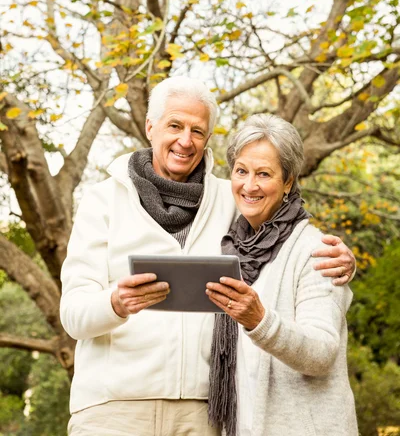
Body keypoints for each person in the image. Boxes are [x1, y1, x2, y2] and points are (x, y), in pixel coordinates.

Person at [60, 76, 356, 436]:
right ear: (150, 127)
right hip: (113, 408)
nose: (185, 141)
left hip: (203, 414)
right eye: (175, 126)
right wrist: (115, 303)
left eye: (197, 131)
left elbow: (282, 232)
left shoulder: (232, 199)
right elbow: (73, 316)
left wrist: (342, 259)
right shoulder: (103, 201)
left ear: (208, 139)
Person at [206, 114, 358, 436]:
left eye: (264, 174)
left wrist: (259, 320)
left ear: (288, 182)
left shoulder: (317, 251)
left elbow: (321, 353)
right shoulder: (230, 244)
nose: (249, 186)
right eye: (241, 171)